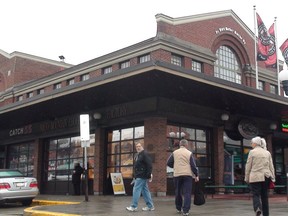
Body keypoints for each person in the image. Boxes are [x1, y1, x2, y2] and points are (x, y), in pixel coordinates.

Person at [167, 139, 199, 216]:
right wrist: (196, 174)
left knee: (178, 192)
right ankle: (186, 211)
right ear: (186, 145)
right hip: (187, 175)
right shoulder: (189, 153)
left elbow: (168, 163)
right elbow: (193, 166)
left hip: (177, 175)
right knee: (187, 193)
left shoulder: (174, 153)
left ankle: (178, 208)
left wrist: (175, 166)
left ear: (180, 144)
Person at [244, 136, 275, 216]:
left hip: (255, 177)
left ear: (255, 143)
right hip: (266, 176)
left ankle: (258, 208)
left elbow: (248, 166)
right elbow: (271, 166)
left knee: (256, 194)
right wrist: (273, 178)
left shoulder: (252, 152)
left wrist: (247, 177)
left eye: (251, 143)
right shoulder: (267, 152)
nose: (251, 144)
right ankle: (266, 214)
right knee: (265, 196)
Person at [126, 142, 154, 212]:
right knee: (145, 191)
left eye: (139, 146)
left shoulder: (145, 154)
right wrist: (134, 176)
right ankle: (150, 206)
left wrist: (149, 175)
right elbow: (137, 166)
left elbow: (149, 165)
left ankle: (133, 206)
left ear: (142, 147)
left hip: (142, 175)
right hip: (139, 175)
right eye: (136, 147)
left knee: (136, 189)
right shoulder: (138, 155)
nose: (138, 148)